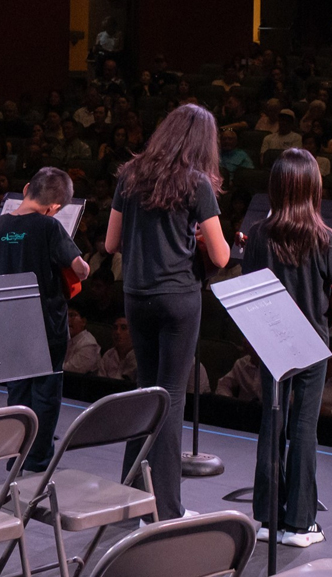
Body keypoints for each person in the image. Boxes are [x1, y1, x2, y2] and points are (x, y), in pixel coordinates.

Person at [105, 103, 230, 521]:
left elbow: (110, 244)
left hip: (137, 295)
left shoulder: (130, 176)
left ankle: (130, 496)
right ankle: (167, 509)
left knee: (144, 391)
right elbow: (222, 255)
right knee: (172, 399)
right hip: (178, 298)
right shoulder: (196, 184)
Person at [242, 149, 332, 547]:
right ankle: (300, 524)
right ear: (311, 189)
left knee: (272, 426)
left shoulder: (257, 234)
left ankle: (268, 519)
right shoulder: (324, 236)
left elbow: (248, 286)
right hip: (311, 344)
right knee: (304, 429)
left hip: (271, 341)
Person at [0, 167, 90, 470]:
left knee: (17, 390)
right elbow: (80, 269)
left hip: (8, 323)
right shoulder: (49, 227)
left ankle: (14, 454)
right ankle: (37, 457)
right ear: (55, 207)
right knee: (45, 391)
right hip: (46, 325)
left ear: (28, 187)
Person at [63, 307, 101, 374]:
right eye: (65, 315)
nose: (67, 320)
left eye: (72, 315)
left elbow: (68, 371)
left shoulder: (88, 344)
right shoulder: (64, 339)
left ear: (83, 322)